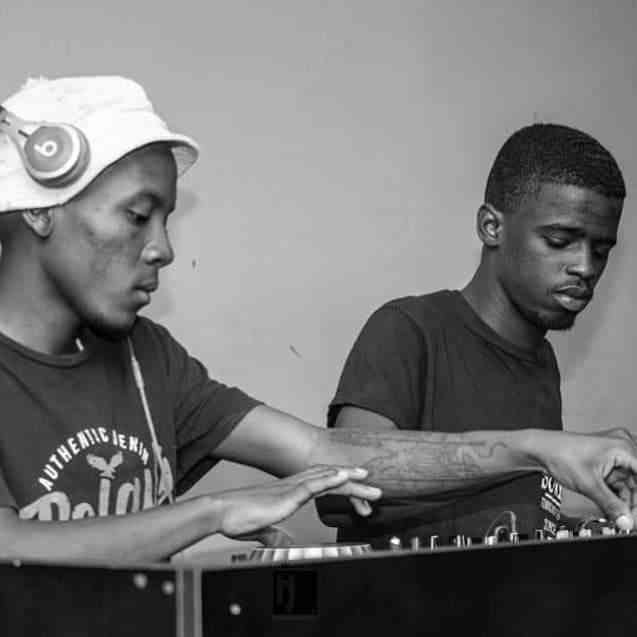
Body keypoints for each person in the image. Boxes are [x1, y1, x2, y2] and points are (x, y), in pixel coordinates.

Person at [0, 77, 635, 564]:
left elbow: (327, 453)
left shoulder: (150, 360)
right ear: (40, 208)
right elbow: (10, 543)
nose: (163, 248)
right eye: (139, 216)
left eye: (165, 220)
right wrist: (211, 513)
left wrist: (536, 450)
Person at [319, 122, 633, 547]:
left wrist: (597, 517)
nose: (585, 266)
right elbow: (339, 486)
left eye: (601, 250)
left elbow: (497, 517)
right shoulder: (409, 329)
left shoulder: (541, 362)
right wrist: (537, 449)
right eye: (560, 240)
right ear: (491, 227)